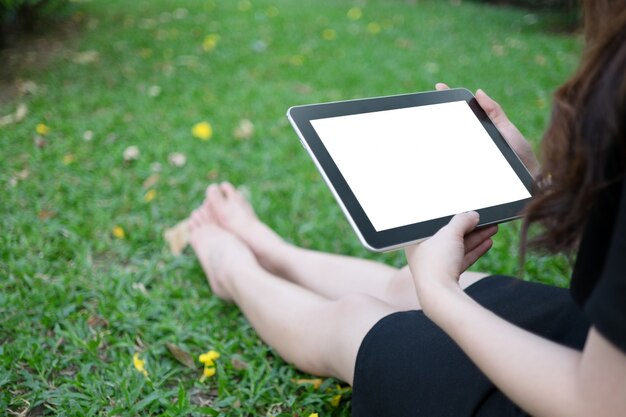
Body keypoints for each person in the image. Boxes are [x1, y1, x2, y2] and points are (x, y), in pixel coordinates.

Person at [187, 1, 626, 415]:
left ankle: (234, 271)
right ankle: (276, 252)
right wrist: (536, 186)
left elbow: (597, 404)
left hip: (580, 396)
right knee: (401, 286)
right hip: (598, 339)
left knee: (352, 319)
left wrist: (440, 292)